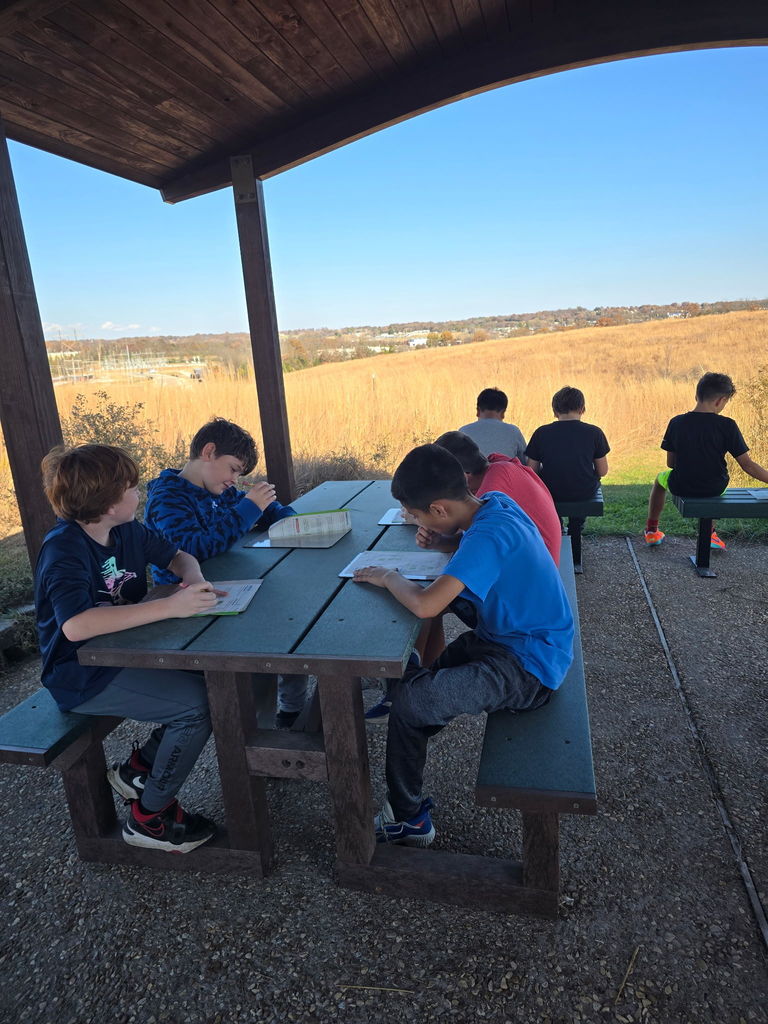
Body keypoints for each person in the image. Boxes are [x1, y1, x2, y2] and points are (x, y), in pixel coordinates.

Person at [353, 444, 574, 846]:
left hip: (529, 667)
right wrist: (444, 543)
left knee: (408, 701)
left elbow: (426, 605)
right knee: (409, 700)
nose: (417, 522)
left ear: (438, 509)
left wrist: (388, 577)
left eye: (417, 515)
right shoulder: (495, 503)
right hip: (505, 640)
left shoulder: (488, 535)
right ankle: (407, 804)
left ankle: (408, 819)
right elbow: (473, 547)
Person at [35, 444, 221, 853]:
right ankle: (150, 817)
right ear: (107, 503)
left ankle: (139, 768)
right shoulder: (64, 549)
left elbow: (179, 557)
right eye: (132, 488)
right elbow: (76, 626)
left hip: (129, 652)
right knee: (198, 707)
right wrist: (169, 607)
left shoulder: (127, 531)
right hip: (80, 674)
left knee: (217, 682)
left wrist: (195, 583)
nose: (139, 493)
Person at [144, 417, 308, 728]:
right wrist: (249, 509)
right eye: (233, 469)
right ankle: (258, 731)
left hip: (229, 590)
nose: (234, 480)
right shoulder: (167, 497)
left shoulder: (219, 490)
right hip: (187, 606)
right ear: (208, 452)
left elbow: (269, 511)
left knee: (292, 615)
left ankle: (291, 709)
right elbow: (194, 548)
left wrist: (284, 516)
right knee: (265, 641)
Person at [644, 372, 768, 548]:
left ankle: (652, 530)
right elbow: (748, 465)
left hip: (681, 485)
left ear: (697, 395)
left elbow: (671, 464)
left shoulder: (676, 422)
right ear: (720, 401)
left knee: (659, 480)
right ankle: (710, 534)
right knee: (718, 480)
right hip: (714, 487)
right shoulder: (727, 425)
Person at [434, 430, 561, 565]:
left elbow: (471, 541)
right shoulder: (498, 464)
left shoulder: (492, 489)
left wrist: (432, 520)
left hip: (534, 566)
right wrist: (438, 542)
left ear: (465, 475)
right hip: (537, 558)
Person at [525, 386, 610, 573]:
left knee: (548, 489)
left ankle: (557, 528)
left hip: (551, 491)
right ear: (582, 409)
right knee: (583, 489)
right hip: (583, 490)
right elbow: (603, 471)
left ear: (555, 411)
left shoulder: (542, 433)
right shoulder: (594, 432)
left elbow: (531, 470)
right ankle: (576, 529)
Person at [457, 387, 527, 460]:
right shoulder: (514, 431)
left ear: (478, 411)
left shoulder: (463, 432)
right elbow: (524, 462)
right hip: (504, 467)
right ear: (503, 413)